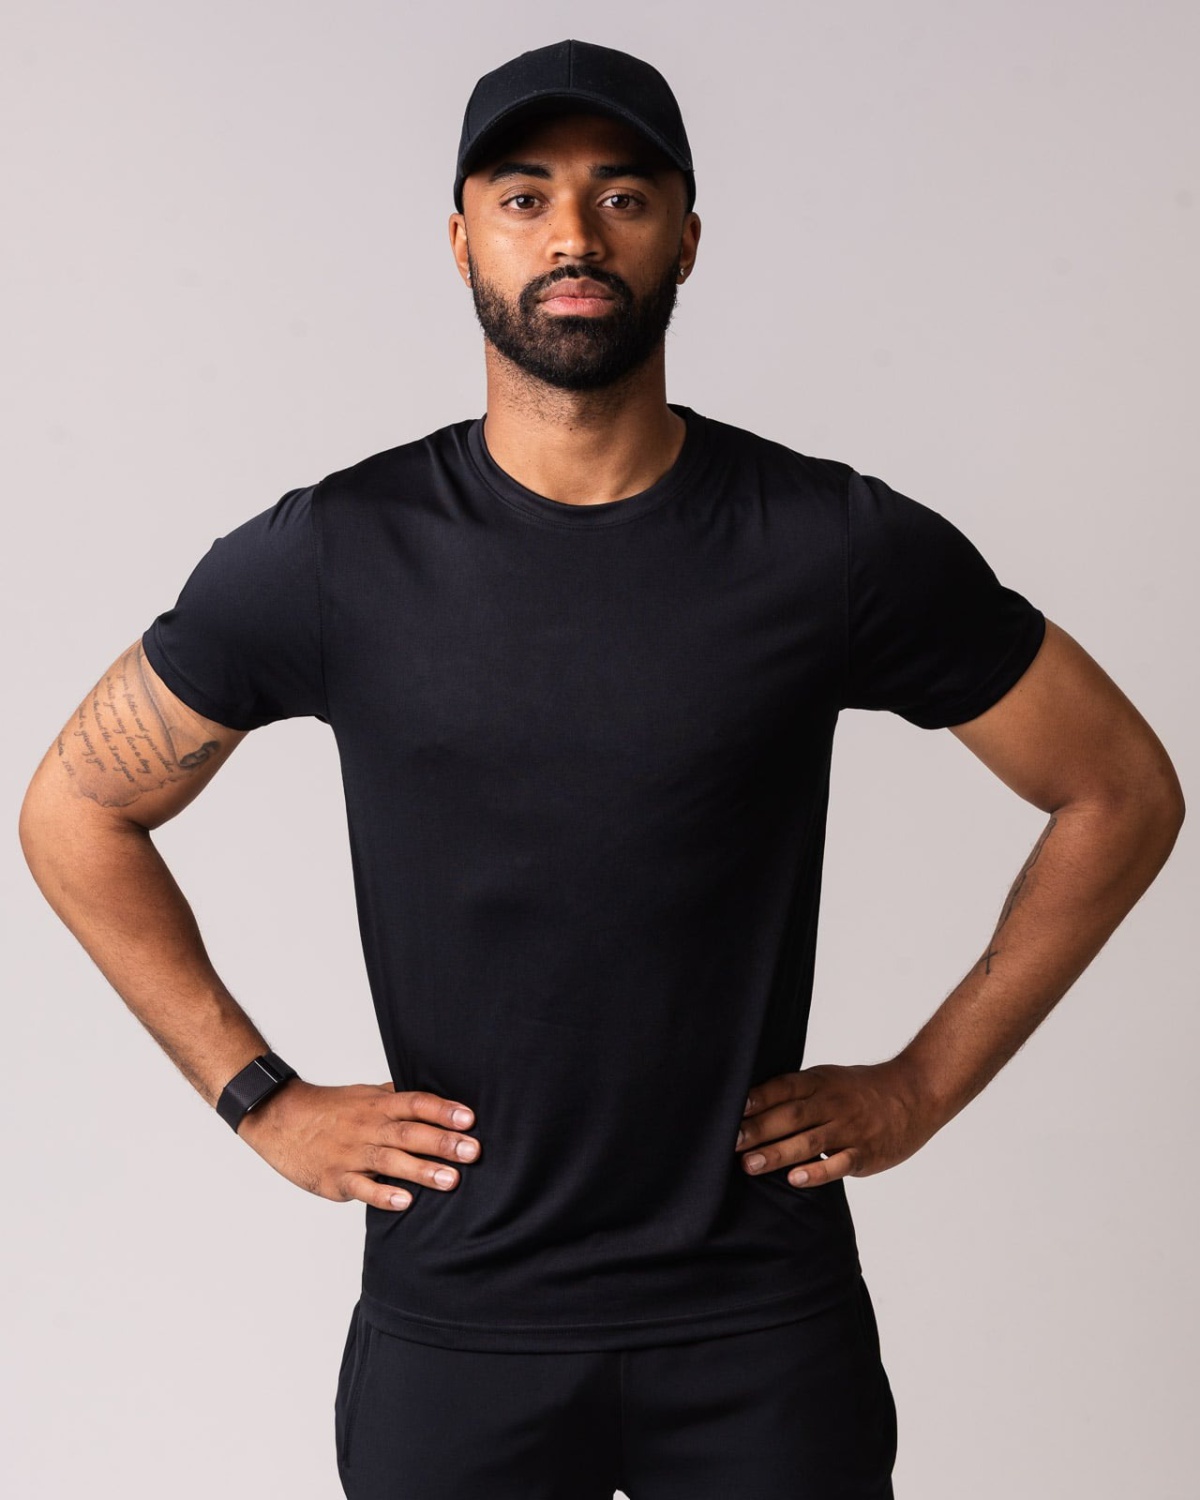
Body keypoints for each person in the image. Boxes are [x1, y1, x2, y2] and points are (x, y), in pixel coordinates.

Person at [19, 36, 1185, 1500]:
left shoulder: (827, 544)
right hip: (460, 1327)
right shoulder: (338, 555)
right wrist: (260, 1095)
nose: (573, 233)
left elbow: (1121, 790)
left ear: (687, 237)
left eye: (622, 195)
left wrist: (922, 1085)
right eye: (525, 197)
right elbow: (76, 809)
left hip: (760, 1326)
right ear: (462, 241)